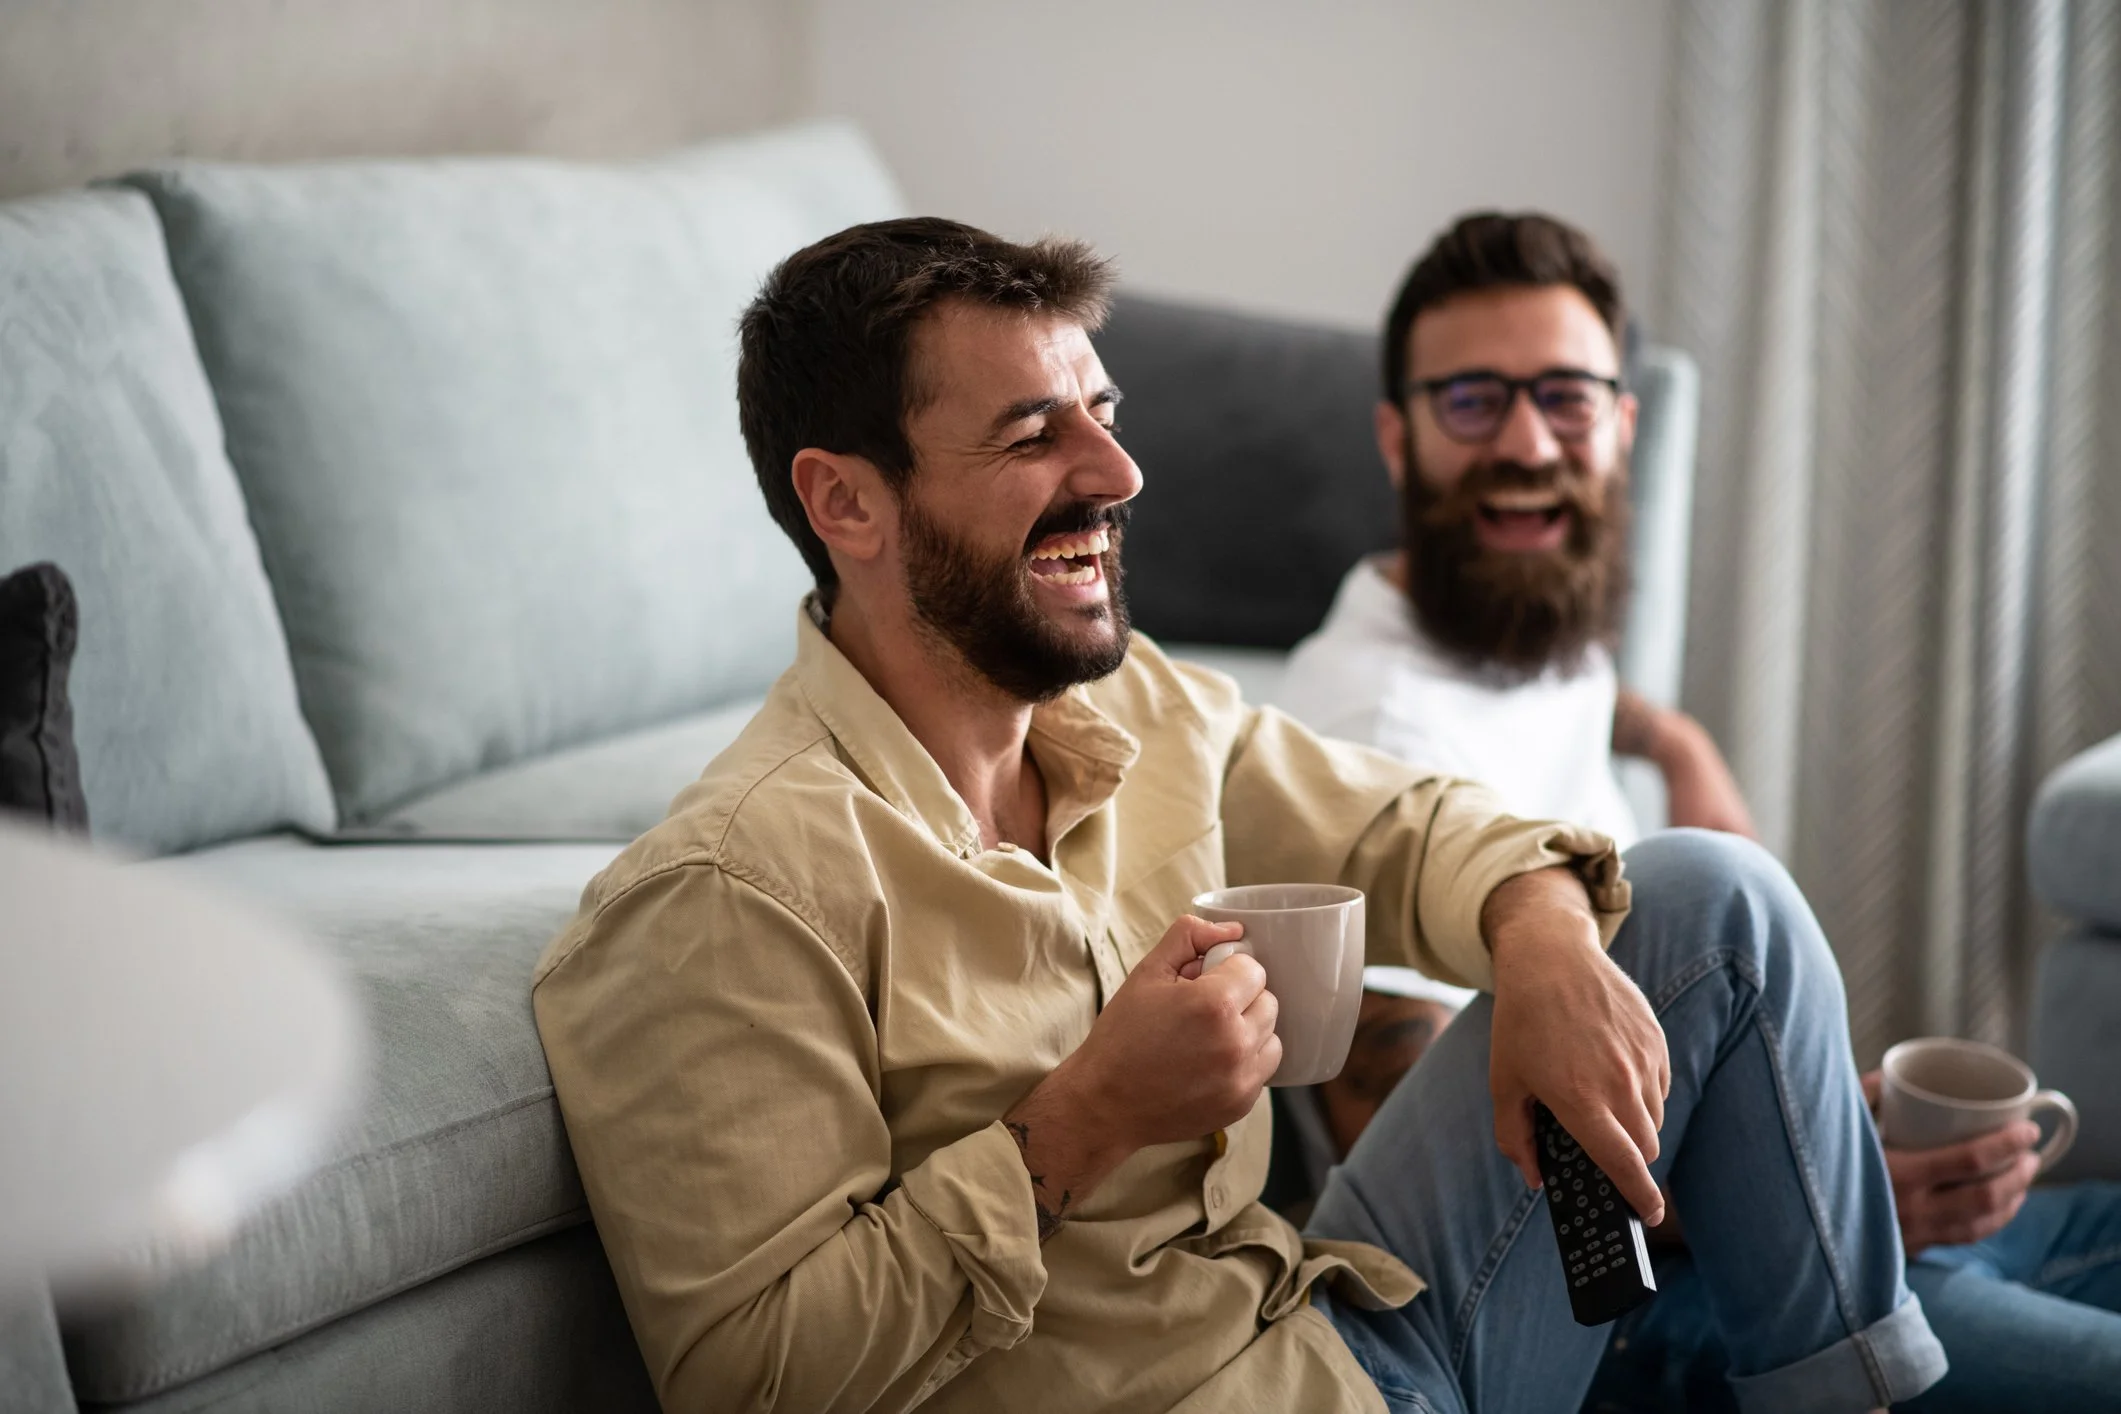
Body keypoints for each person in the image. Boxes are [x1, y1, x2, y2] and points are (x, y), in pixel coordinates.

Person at [530, 216, 1944, 1413]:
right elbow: (746, 1374)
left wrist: (1540, 929)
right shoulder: (730, 889)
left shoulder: (1137, 713)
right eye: (1035, 434)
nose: (1115, 474)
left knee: (1709, 901)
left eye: (1104, 415)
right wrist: (1074, 1126)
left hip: (1342, 1344)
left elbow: (1402, 826)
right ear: (846, 501)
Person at [1275, 210, 2121, 1414]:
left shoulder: (1523, 635)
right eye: (1472, 402)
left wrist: (1675, 739)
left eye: (1566, 399)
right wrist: (1789, 1163)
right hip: (1624, 1301)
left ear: (1622, 427)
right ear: (1397, 439)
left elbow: (1588, 705)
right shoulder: (1369, 730)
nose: (1526, 442)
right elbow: (1442, 1183)